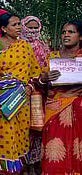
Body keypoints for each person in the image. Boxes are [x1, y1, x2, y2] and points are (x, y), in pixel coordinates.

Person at [0, 13, 43, 174]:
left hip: (21, 98)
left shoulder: (25, 46)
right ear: (4, 28)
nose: (19, 27)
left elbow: (34, 73)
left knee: (20, 133)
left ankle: (19, 168)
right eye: (14, 25)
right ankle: (1, 169)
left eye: (19, 24)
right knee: (3, 133)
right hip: (1, 99)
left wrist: (30, 87)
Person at [41, 21, 82, 174]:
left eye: (71, 32)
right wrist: (44, 78)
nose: (66, 35)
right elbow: (40, 84)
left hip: (79, 108)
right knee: (55, 150)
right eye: (64, 32)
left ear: (80, 36)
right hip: (55, 109)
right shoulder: (52, 57)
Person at [20, 16, 51, 172]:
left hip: (40, 93)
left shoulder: (43, 47)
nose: (32, 31)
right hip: (21, 92)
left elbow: (48, 68)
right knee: (24, 128)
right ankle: (23, 164)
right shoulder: (17, 45)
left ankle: (36, 163)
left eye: (35, 28)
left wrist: (42, 81)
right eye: (29, 28)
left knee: (38, 128)